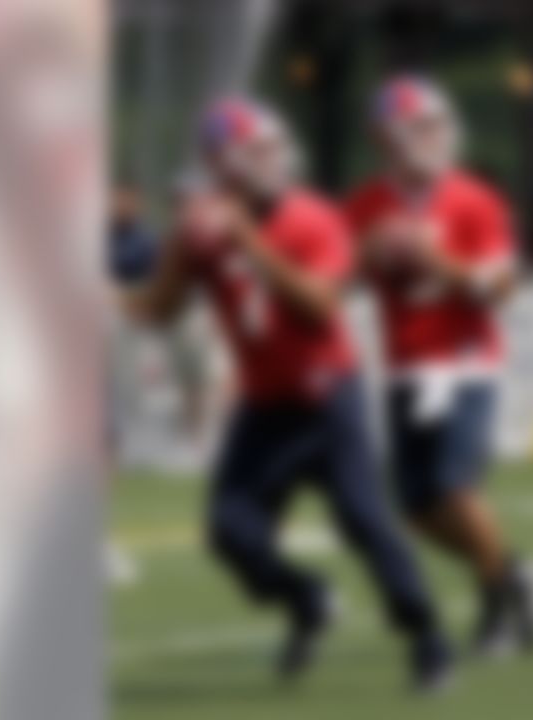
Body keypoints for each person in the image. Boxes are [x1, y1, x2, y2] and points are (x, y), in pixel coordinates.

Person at [121, 97, 453, 692]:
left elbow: (319, 304)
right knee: (230, 530)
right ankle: (306, 598)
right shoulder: (199, 228)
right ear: (223, 163)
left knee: (362, 518)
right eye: (258, 150)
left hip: (329, 397)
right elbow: (161, 308)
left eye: (273, 147)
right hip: (265, 405)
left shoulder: (314, 217)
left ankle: (427, 634)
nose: (273, 159)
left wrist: (247, 238)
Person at [345, 75, 533, 657]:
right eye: (421, 126)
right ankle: (511, 573)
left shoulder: (477, 199)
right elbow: (333, 283)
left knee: (456, 487)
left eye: (437, 124)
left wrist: (434, 257)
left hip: (465, 362)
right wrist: (367, 248)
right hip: (406, 366)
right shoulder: (364, 205)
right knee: (417, 511)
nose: (435, 136)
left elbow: (500, 291)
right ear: (387, 137)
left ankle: (497, 606)